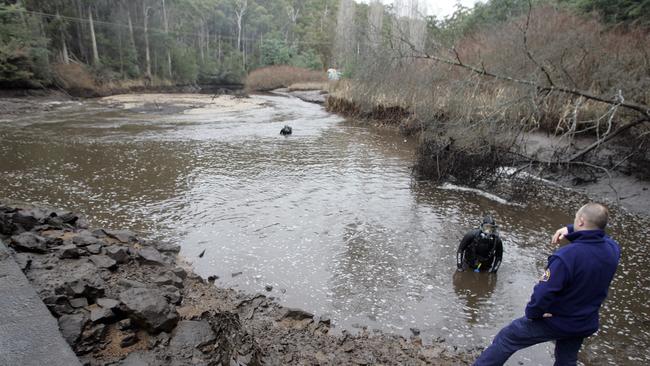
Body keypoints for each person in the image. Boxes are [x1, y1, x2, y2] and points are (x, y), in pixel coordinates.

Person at [474, 203, 620, 366]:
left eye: (575, 219)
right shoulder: (613, 249)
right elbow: (601, 236)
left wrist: (534, 314)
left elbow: (544, 293)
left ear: (581, 221)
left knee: (508, 337)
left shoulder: (566, 257)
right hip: (584, 321)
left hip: (559, 320)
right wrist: (571, 229)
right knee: (567, 358)